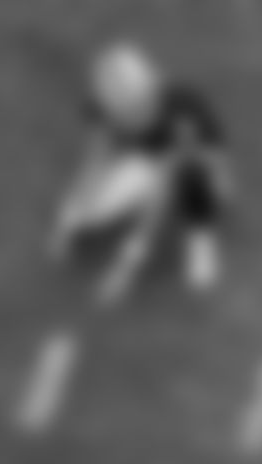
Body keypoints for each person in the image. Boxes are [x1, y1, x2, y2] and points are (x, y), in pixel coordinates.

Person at [51, 41, 234, 305]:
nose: (132, 118)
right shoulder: (106, 109)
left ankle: (200, 234)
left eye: (137, 109)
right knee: (89, 213)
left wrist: (125, 268)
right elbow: (95, 161)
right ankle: (78, 218)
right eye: (124, 112)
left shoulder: (182, 120)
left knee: (201, 179)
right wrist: (68, 220)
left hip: (198, 154)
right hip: (146, 159)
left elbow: (157, 203)